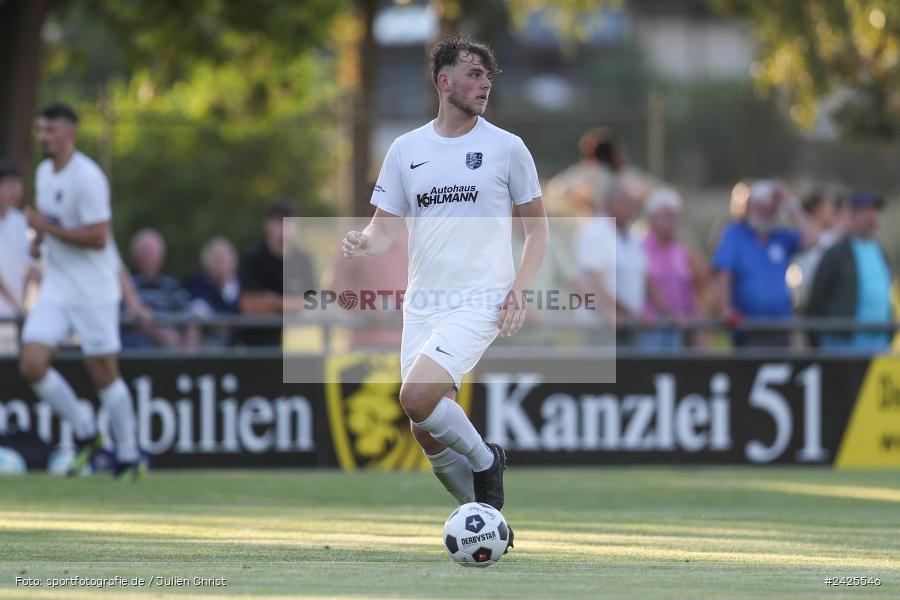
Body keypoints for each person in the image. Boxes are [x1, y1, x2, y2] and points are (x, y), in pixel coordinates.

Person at [341, 33, 548, 550]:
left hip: (481, 299)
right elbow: (384, 228)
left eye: (488, 76)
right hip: (423, 305)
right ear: (444, 81)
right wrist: (363, 243)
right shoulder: (405, 149)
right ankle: (482, 523)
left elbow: (539, 231)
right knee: (424, 426)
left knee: (416, 395)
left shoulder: (506, 148)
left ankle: (486, 460)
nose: (484, 85)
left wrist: (519, 290)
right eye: (474, 74)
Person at [18, 102, 142, 479]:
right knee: (32, 363)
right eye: (40, 130)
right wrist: (38, 240)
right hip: (57, 286)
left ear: (69, 133)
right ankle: (87, 431)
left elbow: (98, 237)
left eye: (51, 130)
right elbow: (47, 222)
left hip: (94, 290)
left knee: (102, 369)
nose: (45, 138)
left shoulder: (88, 176)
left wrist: (47, 229)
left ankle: (129, 453)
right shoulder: (43, 172)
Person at [712, 179, 818, 347]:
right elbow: (723, 273)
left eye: (771, 209)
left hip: (781, 328)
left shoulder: (780, 237)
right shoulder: (735, 234)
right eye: (761, 208)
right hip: (748, 329)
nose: (766, 213)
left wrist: (789, 202)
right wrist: (725, 308)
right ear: (750, 208)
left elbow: (813, 238)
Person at [576, 175, 669, 346]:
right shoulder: (594, 232)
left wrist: (666, 312)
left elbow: (646, 279)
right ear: (609, 203)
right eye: (625, 203)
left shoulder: (633, 236)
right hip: (604, 327)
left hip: (630, 326)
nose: (631, 209)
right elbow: (593, 282)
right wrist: (627, 313)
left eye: (634, 204)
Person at [807, 191, 893, 351]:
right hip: (842, 345)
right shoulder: (835, 253)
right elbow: (817, 300)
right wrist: (815, 340)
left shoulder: (880, 252)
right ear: (851, 215)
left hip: (878, 344)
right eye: (865, 211)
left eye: (875, 210)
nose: (871, 216)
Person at [237, 201, 315, 347]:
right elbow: (249, 305)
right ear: (267, 225)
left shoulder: (304, 260)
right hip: (257, 344)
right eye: (278, 221)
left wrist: (271, 300)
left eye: (289, 221)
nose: (284, 227)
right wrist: (290, 305)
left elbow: (310, 305)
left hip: (297, 346)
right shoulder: (252, 257)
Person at [641, 187, 704, 348]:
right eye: (668, 216)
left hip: (679, 331)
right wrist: (670, 315)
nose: (674, 221)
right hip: (651, 330)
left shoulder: (682, 252)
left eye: (677, 216)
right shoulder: (640, 249)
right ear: (652, 217)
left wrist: (697, 326)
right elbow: (650, 286)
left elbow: (693, 288)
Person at [122, 228, 196, 349]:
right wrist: (160, 332)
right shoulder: (127, 284)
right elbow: (126, 315)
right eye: (145, 252)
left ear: (162, 256)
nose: (148, 257)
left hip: (175, 343)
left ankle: (191, 365)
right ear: (135, 255)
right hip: (139, 342)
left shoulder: (172, 285)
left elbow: (188, 312)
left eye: (152, 252)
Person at [0, 164, 34, 353]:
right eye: (10, 186)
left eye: (19, 187)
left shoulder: (20, 221)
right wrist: (16, 305)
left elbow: (31, 266)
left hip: (16, 317)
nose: (16, 192)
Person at [186, 236, 241, 345]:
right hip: (207, 339)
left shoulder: (239, 285)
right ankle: (189, 360)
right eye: (217, 259)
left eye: (224, 259)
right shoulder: (197, 282)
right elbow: (197, 311)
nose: (221, 264)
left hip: (235, 339)